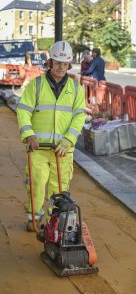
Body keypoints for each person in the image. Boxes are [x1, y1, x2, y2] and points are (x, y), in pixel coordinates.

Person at [16, 41, 86, 232]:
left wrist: (69, 139)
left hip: (62, 150)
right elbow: (23, 111)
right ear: (50, 62)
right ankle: (33, 218)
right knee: (37, 184)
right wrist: (29, 135)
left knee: (59, 190)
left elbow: (80, 115)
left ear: (69, 65)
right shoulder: (36, 86)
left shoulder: (76, 88)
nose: (61, 67)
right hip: (38, 148)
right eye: (57, 63)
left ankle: (51, 224)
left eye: (65, 63)